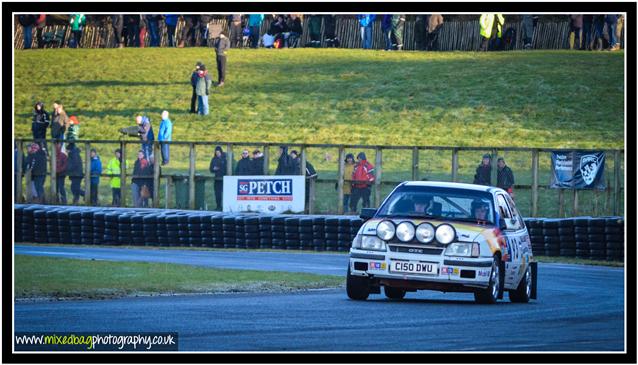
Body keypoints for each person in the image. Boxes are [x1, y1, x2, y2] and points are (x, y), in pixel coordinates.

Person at [209, 146, 227, 210]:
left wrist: (220, 169)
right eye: (216, 152)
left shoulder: (225, 159)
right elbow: (210, 169)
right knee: (217, 193)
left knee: (225, 193)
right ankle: (218, 206)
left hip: (224, 179)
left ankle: (225, 206)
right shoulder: (213, 159)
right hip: (217, 178)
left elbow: (227, 168)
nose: (217, 153)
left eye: (218, 152)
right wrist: (214, 169)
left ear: (221, 152)